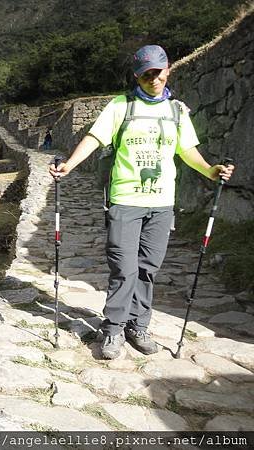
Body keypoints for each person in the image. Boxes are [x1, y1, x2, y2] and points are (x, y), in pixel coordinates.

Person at [48, 44, 234, 359]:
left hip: (162, 203)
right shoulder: (121, 106)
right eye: (146, 73)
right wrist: (70, 164)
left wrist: (210, 170)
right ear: (137, 75)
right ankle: (113, 328)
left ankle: (138, 325)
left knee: (148, 267)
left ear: (168, 69)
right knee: (123, 267)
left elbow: (186, 150)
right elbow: (95, 138)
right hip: (125, 199)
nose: (153, 78)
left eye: (158, 71)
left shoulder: (176, 111)